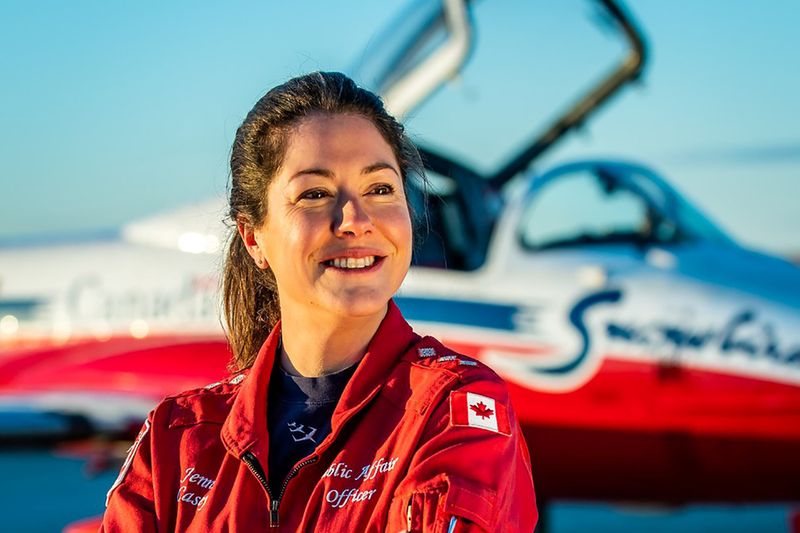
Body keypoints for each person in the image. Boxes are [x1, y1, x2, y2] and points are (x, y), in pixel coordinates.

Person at [102, 71, 537, 532]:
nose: (355, 219)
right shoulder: (177, 438)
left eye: (380, 189)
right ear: (254, 238)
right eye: (315, 194)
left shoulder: (454, 409)